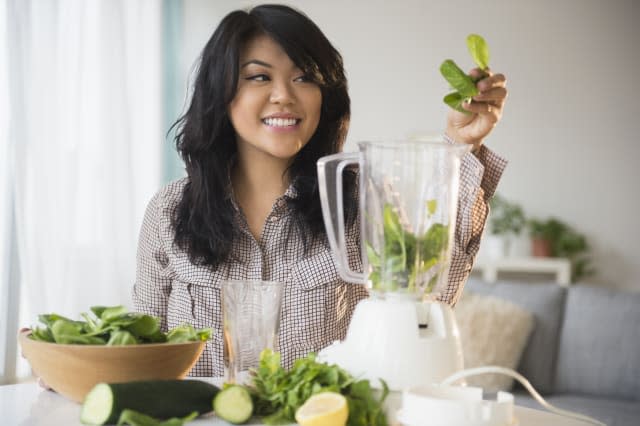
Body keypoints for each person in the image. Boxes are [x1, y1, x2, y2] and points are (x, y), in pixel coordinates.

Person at [133, 4, 508, 377]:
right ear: (221, 93)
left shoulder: (365, 200)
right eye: (259, 78)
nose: (283, 95)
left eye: (303, 78)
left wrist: (462, 144)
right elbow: (142, 359)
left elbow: (426, 308)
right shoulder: (168, 212)